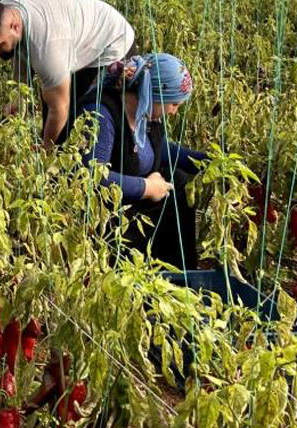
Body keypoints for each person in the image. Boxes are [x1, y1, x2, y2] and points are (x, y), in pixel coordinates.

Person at [75, 53, 206, 270]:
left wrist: (205, 162)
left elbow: (158, 151)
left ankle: (179, 275)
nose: (174, 112)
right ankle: (132, 273)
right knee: (172, 187)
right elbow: (92, 176)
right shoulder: (100, 113)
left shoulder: (146, 114)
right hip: (106, 215)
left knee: (180, 182)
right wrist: (147, 187)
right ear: (154, 94)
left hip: (131, 203)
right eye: (174, 104)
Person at [0, 0, 136, 149]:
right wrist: (18, 97)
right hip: (74, 32)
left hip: (110, 42)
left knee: (83, 114)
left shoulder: (46, 48)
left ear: (15, 27)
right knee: (52, 99)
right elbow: (20, 52)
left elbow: (59, 109)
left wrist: (46, 153)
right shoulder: (5, 11)